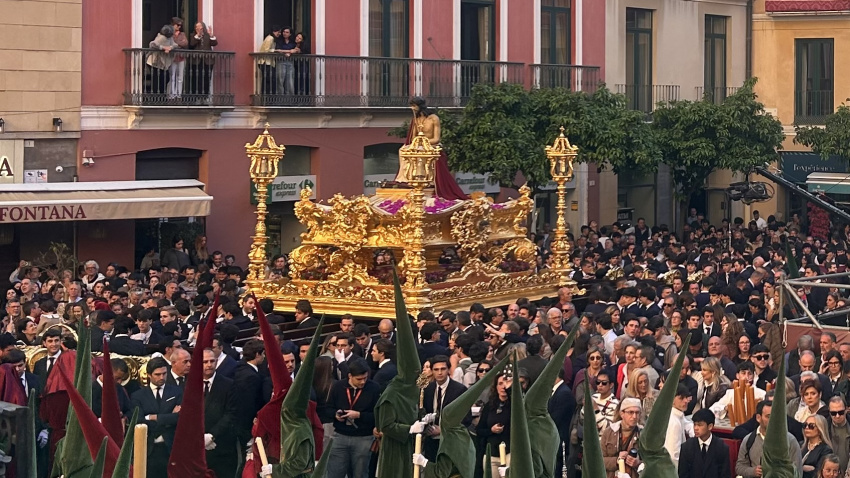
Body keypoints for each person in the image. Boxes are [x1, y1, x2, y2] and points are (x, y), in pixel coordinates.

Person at [395, 97, 466, 200]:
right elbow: (413, 137)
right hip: (419, 144)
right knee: (403, 150)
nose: (412, 108)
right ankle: (405, 177)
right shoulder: (416, 119)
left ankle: (427, 179)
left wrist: (424, 143)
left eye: (414, 106)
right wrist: (416, 143)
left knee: (423, 152)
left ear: (420, 106)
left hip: (432, 145)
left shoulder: (433, 118)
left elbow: (436, 138)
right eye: (411, 106)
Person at [326, 358, 380, 478]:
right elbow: (327, 408)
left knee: (360, 474)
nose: (363, 382)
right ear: (350, 376)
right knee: (334, 472)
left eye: (365, 378)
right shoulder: (338, 386)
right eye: (359, 379)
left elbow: (378, 415)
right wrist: (335, 414)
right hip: (340, 436)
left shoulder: (374, 388)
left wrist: (359, 415)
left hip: (364, 438)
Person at [131, 357, 183, 477]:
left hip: (171, 447)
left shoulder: (176, 392)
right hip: (149, 448)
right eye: (157, 374)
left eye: (164, 373)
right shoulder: (138, 396)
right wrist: (169, 417)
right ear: (149, 375)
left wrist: (153, 417)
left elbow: (180, 418)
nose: (161, 377)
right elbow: (139, 421)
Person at [735, 400, 802, 478]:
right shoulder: (749, 440)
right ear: (758, 418)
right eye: (769, 416)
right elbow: (739, 467)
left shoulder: (790, 440)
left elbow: (797, 472)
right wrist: (753, 471)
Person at [477, 370, 512, 478]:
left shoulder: (514, 405)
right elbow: (479, 430)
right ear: (495, 387)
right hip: (491, 454)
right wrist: (491, 430)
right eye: (500, 384)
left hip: (510, 453)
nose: (503, 387)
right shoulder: (489, 406)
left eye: (506, 383)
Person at [678, 409, 731, 478]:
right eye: (694, 424)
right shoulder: (687, 447)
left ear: (710, 426)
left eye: (699, 425)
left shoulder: (721, 448)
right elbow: (683, 474)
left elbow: (725, 475)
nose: (695, 428)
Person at [600, 397, 642, 478]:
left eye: (637, 413)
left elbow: (652, 462)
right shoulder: (609, 432)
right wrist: (617, 460)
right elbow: (599, 460)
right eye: (631, 412)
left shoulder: (643, 434)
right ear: (622, 413)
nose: (634, 416)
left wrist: (638, 464)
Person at [663, 384, 692, 469]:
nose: (686, 401)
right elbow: (674, 455)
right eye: (681, 398)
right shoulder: (674, 422)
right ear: (672, 399)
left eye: (686, 397)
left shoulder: (677, 415)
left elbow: (687, 423)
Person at [189, 22, 217, 99]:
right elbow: (192, 44)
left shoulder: (208, 35)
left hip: (208, 61)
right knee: (197, 79)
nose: (198, 28)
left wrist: (211, 35)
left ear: (203, 27)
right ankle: (197, 97)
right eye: (196, 27)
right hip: (197, 61)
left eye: (200, 27)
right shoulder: (193, 35)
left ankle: (205, 97)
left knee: (207, 79)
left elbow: (214, 43)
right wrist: (198, 35)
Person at [146, 25, 176, 97]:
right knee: (157, 80)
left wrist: (170, 47)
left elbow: (175, 45)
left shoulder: (170, 38)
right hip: (155, 62)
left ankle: (162, 96)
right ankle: (156, 97)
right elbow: (152, 44)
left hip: (163, 63)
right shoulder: (161, 37)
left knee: (165, 79)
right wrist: (163, 48)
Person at [826, 396, 850, 474]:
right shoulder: (823, 428)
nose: (837, 416)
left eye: (841, 412)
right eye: (833, 413)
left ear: (846, 410)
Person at [167, 17, 188, 100]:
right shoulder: (169, 34)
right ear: (173, 25)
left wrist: (175, 44)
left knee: (180, 77)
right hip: (172, 58)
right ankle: (172, 94)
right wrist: (179, 43)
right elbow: (169, 43)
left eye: (180, 25)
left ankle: (179, 94)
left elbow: (185, 43)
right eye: (178, 25)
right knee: (172, 76)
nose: (179, 26)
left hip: (181, 57)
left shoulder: (182, 34)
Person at [257, 25, 281, 95]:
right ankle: (267, 96)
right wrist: (276, 51)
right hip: (266, 62)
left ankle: (267, 96)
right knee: (268, 80)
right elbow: (266, 50)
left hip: (268, 62)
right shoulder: (270, 38)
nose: (279, 34)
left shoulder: (271, 38)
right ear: (274, 31)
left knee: (268, 80)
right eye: (278, 32)